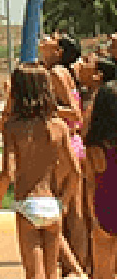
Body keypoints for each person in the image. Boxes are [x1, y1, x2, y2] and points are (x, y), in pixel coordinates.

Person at [0, 64, 82, 279]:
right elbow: (76, 171)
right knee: (52, 273)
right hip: (52, 205)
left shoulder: (13, 127)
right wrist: (65, 202)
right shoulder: (58, 126)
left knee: (34, 273)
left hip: (27, 204)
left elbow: (8, 172)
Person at [42, 32, 88, 270]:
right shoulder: (62, 73)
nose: (46, 37)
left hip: (66, 144)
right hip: (72, 143)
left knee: (64, 210)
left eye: (53, 38)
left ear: (58, 52)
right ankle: (75, 265)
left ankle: (72, 266)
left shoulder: (57, 74)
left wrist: (45, 107)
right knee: (72, 210)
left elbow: (74, 113)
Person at [85, 80, 117, 279]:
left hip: (104, 208)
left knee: (102, 275)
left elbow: (90, 184)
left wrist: (93, 216)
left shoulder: (95, 147)